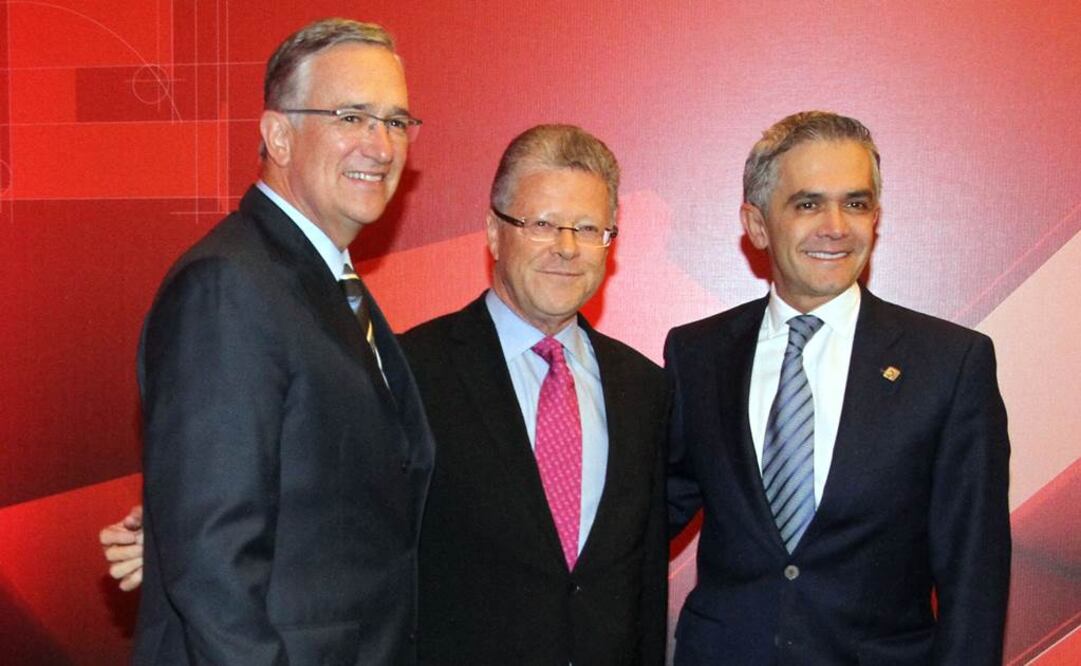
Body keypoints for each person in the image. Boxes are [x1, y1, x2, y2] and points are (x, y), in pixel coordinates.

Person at [103, 125, 669, 665]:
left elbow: (647, 556)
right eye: (542, 224)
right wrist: (173, 530)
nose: (567, 248)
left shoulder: (645, 391)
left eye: (589, 228)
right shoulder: (402, 371)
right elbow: (313, 497)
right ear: (495, 232)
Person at [128, 18, 434, 665]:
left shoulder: (329, 285)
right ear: (277, 135)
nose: (380, 146)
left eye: (396, 121)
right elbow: (213, 565)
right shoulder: (227, 287)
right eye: (352, 117)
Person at [665, 111, 1011, 665]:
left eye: (856, 203)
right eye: (807, 204)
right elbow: (645, 514)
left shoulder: (950, 363)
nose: (836, 226)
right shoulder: (697, 354)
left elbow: (975, 571)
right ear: (756, 225)